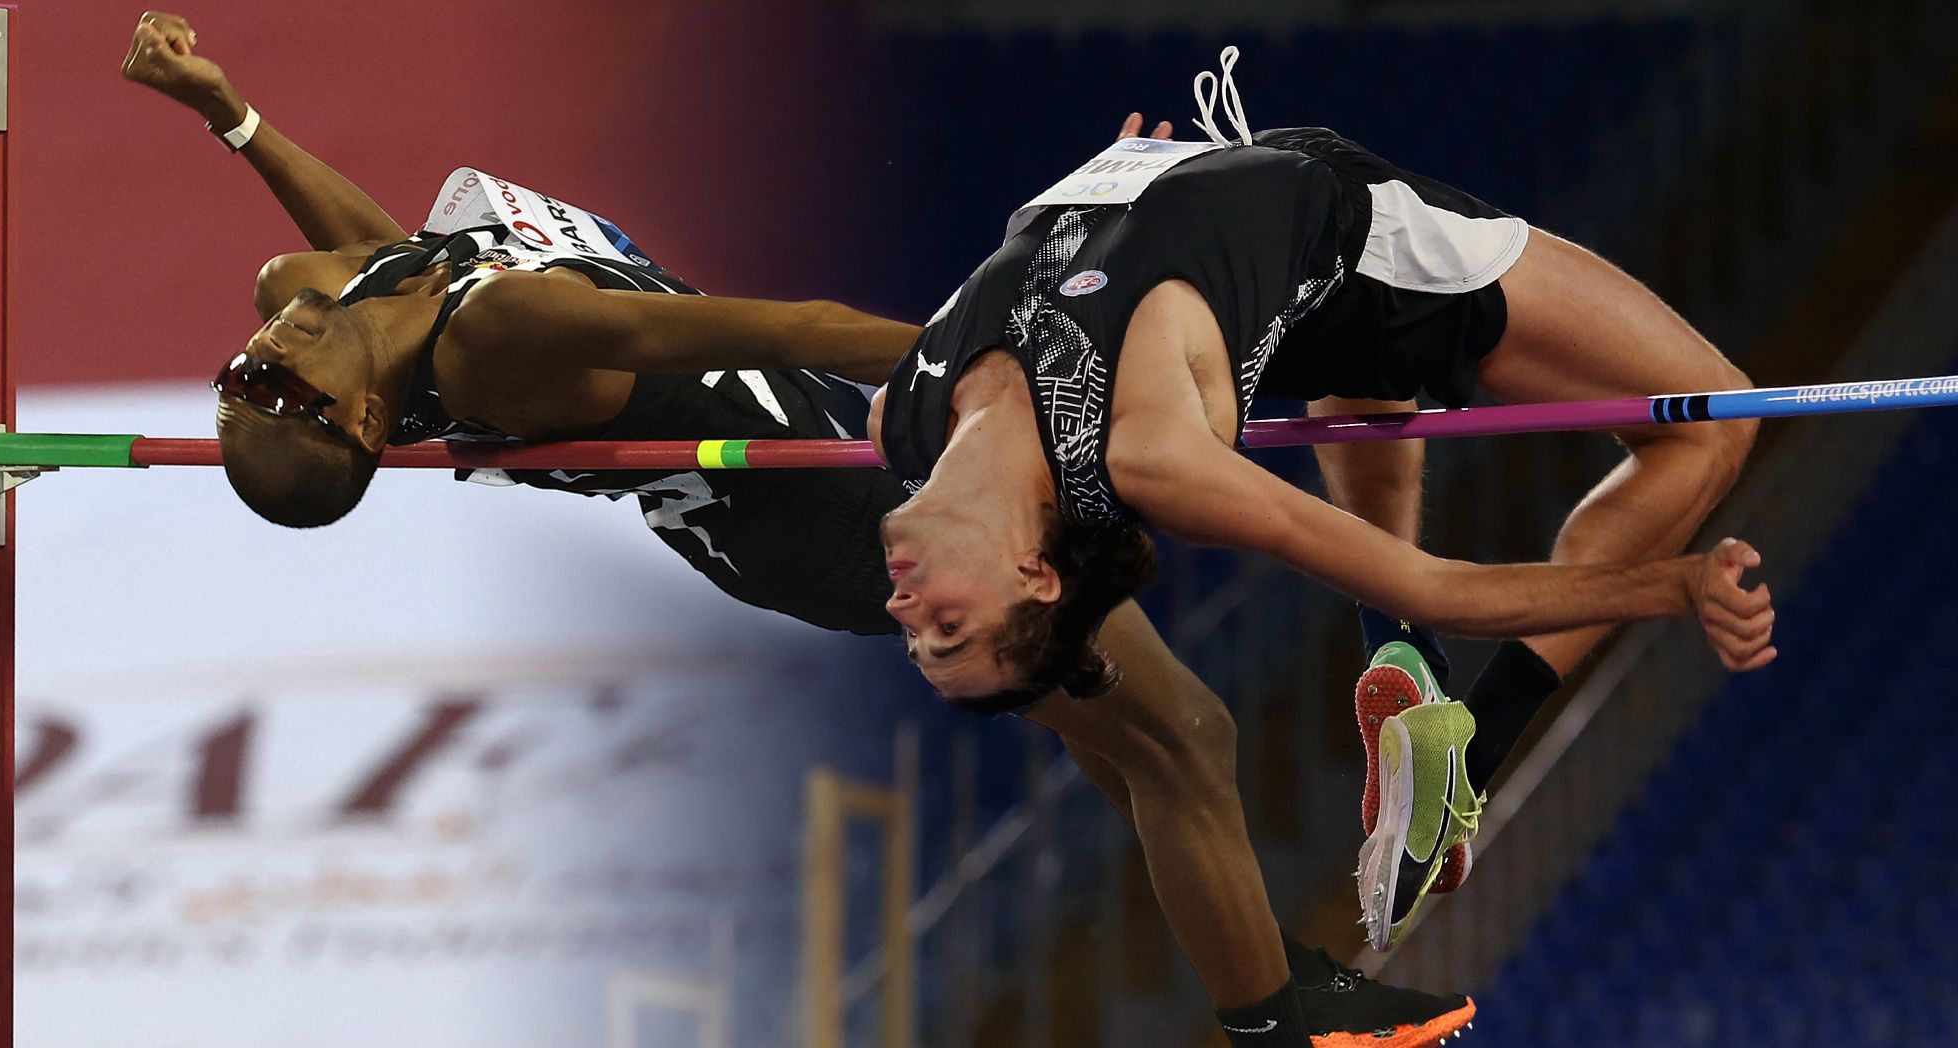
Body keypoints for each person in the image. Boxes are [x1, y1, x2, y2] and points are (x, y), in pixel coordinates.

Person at [121, 13, 1475, 1046]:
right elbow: (790, 326)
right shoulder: (510, 340)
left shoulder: (392, 319)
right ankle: (1279, 1020)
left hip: (806, 485)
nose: (270, 340)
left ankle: (1267, 982)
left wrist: (231, 118)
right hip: (825, 508)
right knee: (1185, 732)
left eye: (249, 368)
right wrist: (1031, 339)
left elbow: (380, 268)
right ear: (362, 422)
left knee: (1140, 741)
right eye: (285, 382)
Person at [868, 49, 1776, 953]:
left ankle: (1399, 660)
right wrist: (1676, 586)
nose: (905, 612)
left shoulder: (902, 419)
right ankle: (1476, 745)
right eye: (948, 631)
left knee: (1366, 370)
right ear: (1034, 575)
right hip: (1355, 243)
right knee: (1715, 419)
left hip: (1253, 246)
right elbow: (1437, 585)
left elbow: (1038, 274)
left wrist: (1098, 199)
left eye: (917, 642)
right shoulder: (1146, 454)